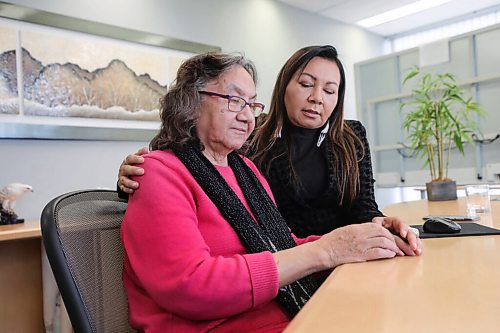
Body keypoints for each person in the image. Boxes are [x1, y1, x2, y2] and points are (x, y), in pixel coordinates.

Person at [120, 51, 421, 333]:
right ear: (191, 102)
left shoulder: (245, 170)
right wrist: (326, 251)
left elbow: (283, 247)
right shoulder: (158, 172)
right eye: (234, 100)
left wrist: (361, 240)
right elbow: (192, 286)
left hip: (286, 312)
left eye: (251, 104)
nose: (247, 116)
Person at [118, 45, 418, 241]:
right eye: (305, 84)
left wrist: (380, 223)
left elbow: (363, 207)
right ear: (283, 86)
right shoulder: (250, 134)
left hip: (344, 258)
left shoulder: (351, 137)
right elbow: (189, 163)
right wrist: (131, 178)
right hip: (282, 263)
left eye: (330, 91)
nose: (317, 98)